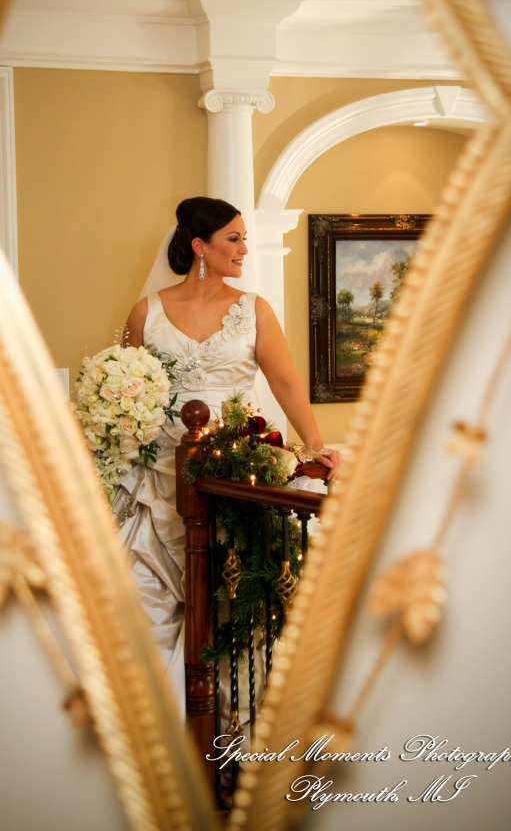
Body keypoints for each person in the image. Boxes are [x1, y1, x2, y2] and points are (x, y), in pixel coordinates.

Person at [119, 196, 339, 706]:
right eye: (233, 239)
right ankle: (164, 713)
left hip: (236, 466)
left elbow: (285, 381)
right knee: (150, 594)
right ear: (200, 246)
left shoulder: (253, 309)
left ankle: (231, 712)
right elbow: (130, 386)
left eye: (244, 239)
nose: (243, 249)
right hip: (160, 470)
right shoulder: (146, 312)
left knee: (231, 584)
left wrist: (317, 448)